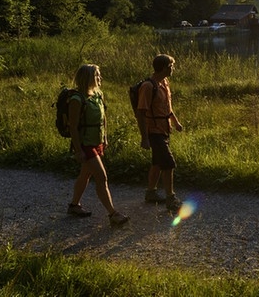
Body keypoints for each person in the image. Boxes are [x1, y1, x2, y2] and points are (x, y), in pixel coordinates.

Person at [67, 64, 129, 226]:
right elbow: (72, 127)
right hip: (85, 144)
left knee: (85, 175)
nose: (100, 78)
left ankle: (74, 205)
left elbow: (103, 118)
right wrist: (78, 150)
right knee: (101, 177)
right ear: (87, 78)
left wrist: (105, 138)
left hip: (97, 141)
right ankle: (112, 214)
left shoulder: (98, 94)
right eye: (97, 76)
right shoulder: (76, 99)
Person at [135, 54, 184, 213]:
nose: (173, 69)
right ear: (164, 67)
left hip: (164, 129)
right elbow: (141, 113)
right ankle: (171, 198)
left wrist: (175, 123)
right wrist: (145, 138)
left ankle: (151, 193)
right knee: (168, 163)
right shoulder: (148, 87)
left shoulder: (164, 83)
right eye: (171, 66)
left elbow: (167, 108)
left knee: (157, 162)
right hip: (153, 131)